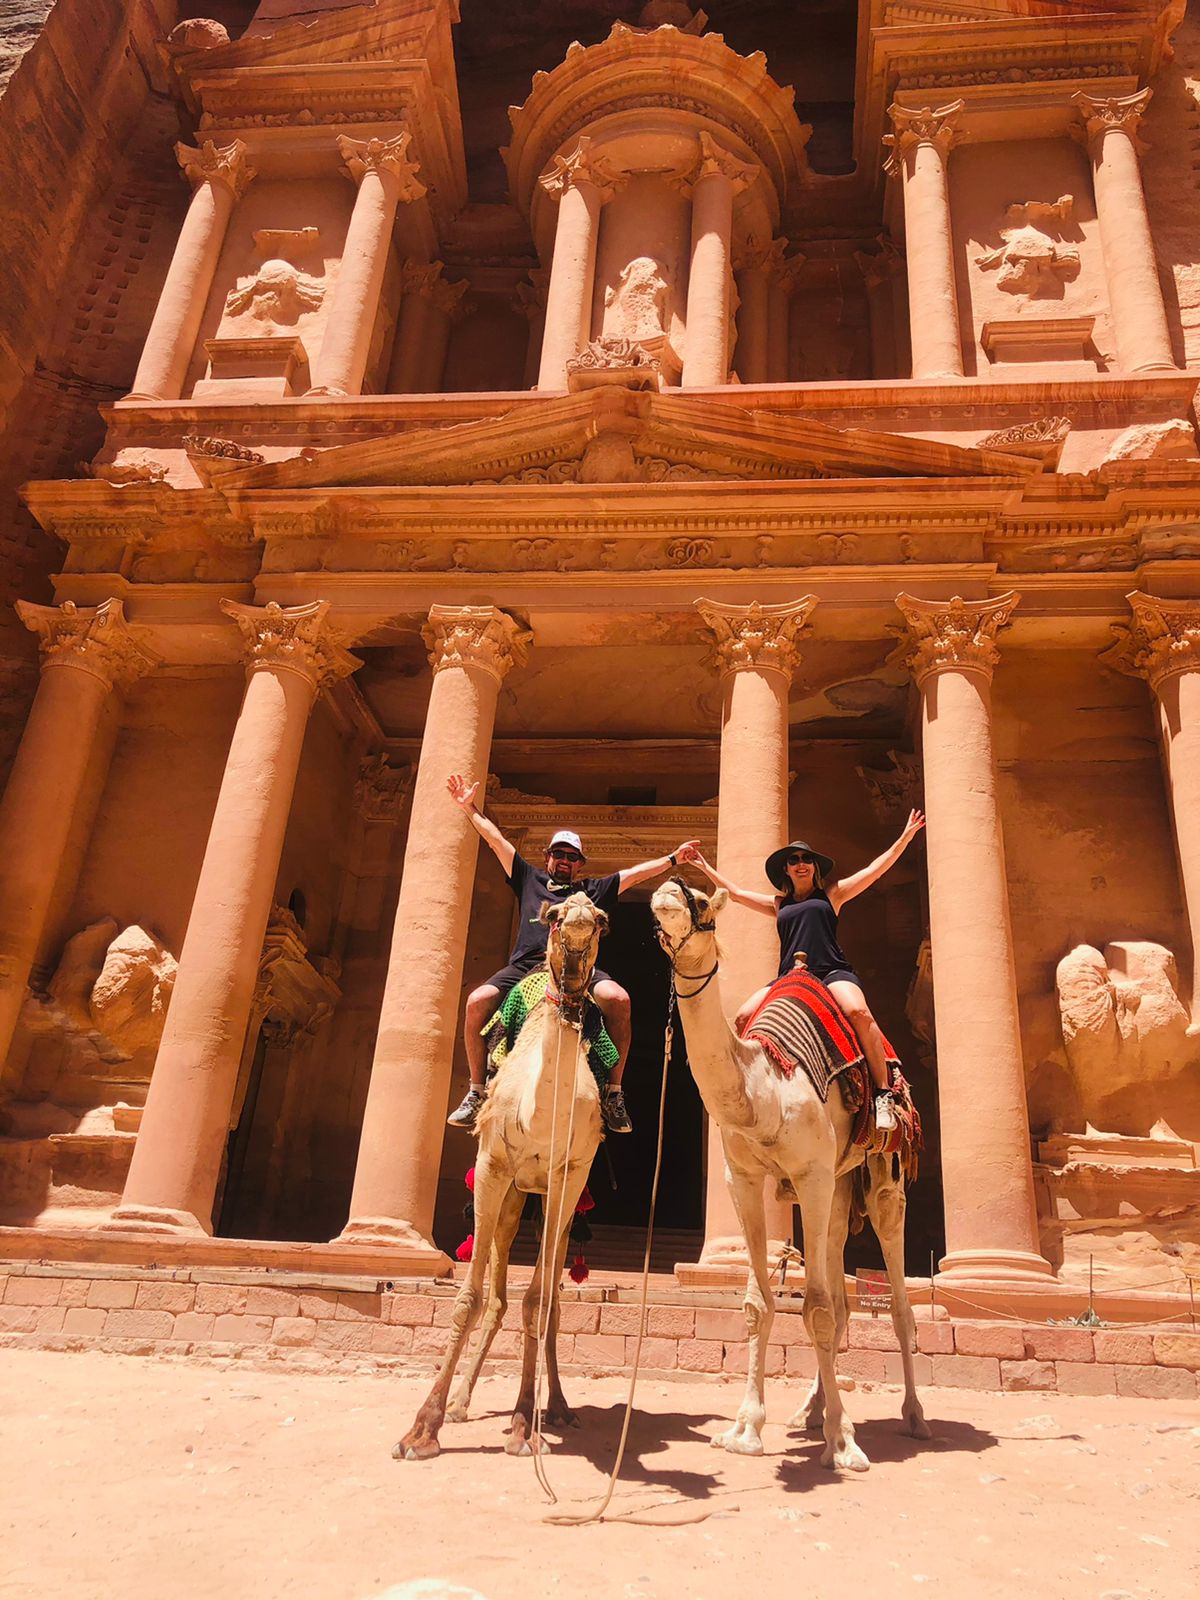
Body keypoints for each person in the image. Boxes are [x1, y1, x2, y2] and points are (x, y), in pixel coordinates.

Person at [445, 772, 699, 1135]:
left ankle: (614, 1093)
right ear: (547, 856)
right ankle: (476, 1091)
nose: (565, 860)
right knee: (475, 1002)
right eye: (559, 854)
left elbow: (635, 875)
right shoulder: (528, 878)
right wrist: (469, 808)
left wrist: (673, 859)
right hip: (528, 967)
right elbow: (495, 840)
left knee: (619, 999)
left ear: (581, 863)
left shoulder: (593, 890)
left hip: (580, 968)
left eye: (572, 856)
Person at [678, 810, 925, 1133]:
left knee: (858, 1012)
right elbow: (735, 894)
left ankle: (882, 1094)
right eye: (794, 860)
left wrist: (905, 836)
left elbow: (874, 871)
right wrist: (703, 866)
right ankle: (746, 1092)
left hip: (831, 973)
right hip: (790, 978)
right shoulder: (779, 904)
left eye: (806, 858)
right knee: (742, 1017)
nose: (801, 863)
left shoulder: (832, 894)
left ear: (814, 867)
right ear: (787, 869)